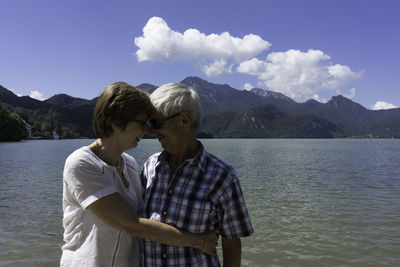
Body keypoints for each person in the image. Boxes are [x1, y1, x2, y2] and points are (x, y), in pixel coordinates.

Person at [60, 82, 218, 267]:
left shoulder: (130, 164)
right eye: (143, 123)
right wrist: (199, 241)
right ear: (117, 123)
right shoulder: (82, 163)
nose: (148, 130)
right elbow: (132, 224)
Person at [142, 83, 254, 267]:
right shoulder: (150, 167)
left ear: (184, 120)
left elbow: (232, 243)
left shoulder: (222, 177)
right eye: (148, 124)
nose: (150, 132)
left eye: (156, 123)